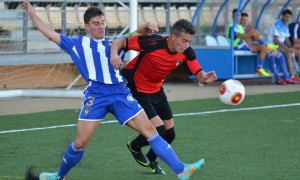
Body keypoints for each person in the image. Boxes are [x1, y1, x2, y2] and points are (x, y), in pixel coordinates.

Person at [22, 1, 204, 180]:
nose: (101, 27)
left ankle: (181, 171)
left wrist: (146, 25)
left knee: (152, 132)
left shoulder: (114, 44)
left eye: (103, 23)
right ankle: (59, 176)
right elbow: (50, 34)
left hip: (120, 93)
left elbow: (139, 33)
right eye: (95, 24)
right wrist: (31, 13)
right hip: (96, 95)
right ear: (86, 26)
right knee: (80, 143)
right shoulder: (77, 44)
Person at [110, 19, 217, 175]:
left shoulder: (187, 52)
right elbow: (120, 42)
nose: (187, 45)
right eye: (184, 41)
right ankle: (135, 146)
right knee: (159, 129)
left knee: (170, 133)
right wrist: (114, 54)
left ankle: (152, 160)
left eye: (189, 41)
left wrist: (205, 78)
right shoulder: (152, 43)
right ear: (173, 37)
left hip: (156, 90)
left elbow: (199, 74)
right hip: (136, 87)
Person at [226, 8, 270, 76]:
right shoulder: (232, 26)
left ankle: (259, 68)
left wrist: (251, 35)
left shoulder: (240, 26)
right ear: (232, 16)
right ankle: (266, 44)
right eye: (236, 15)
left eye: (239, 15)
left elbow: (246, 36)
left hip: (244, 45)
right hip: (236, 46)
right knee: (254, 32)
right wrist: (251, 34)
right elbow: (241, 36)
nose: (238, 17)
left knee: (263, 48)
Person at [267, 9, 299, 82]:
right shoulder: (277, 24)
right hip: (271, 45)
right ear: (282, 16)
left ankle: (291, 75)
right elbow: (276, 40)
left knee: (292, 51)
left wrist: (290, 47)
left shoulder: (286, 25)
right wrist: (286, 48)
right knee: (288, 53)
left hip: (279, 45)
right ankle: (291, 76)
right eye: (286, 16)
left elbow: (287, 39)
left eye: (289, 17)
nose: (287, 18)